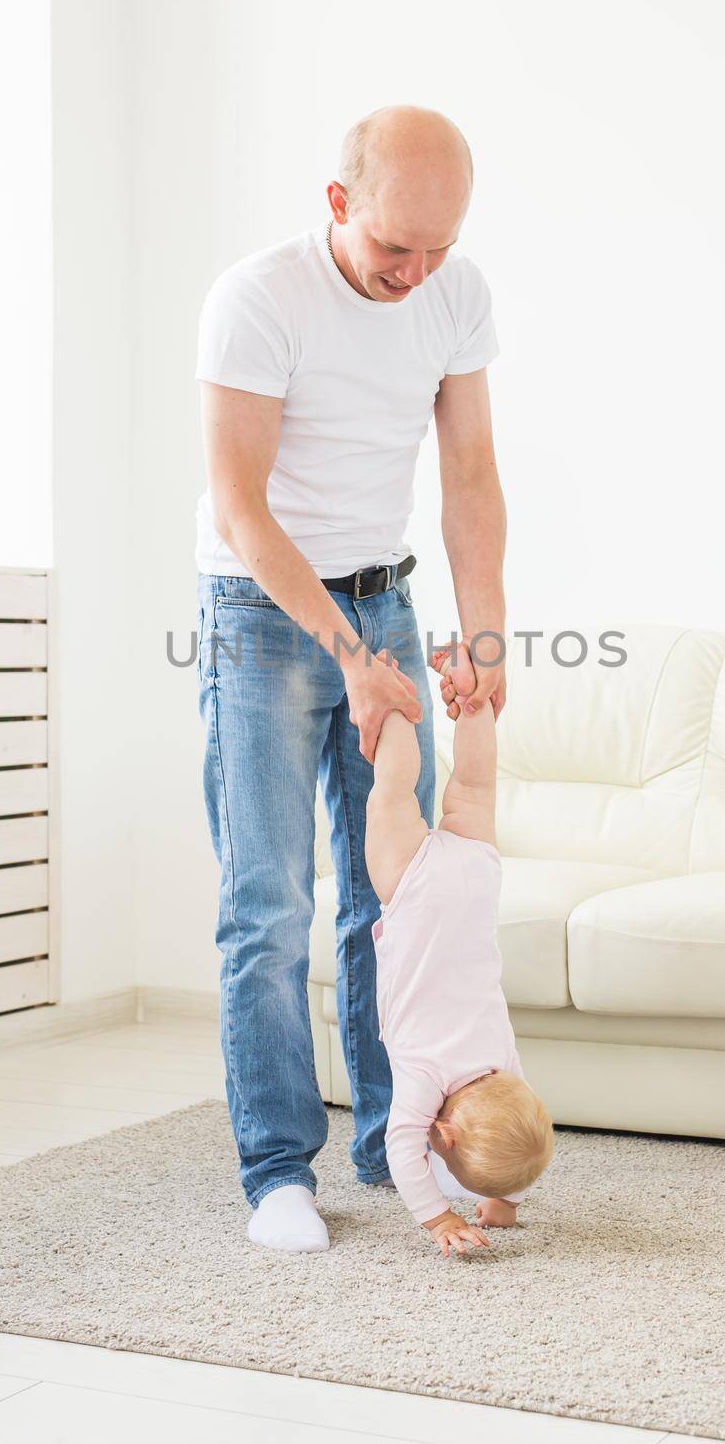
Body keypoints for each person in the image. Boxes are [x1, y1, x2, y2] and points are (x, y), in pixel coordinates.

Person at [195, 104, 508, 1252]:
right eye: (393, 251)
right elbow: (240, 505)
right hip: (263, 611)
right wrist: (349, 659)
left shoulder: (452, 292)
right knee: (268, 906)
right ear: (338, 205)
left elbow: (469, 475)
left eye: (438, 251)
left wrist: (483, 634)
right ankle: (278, 1169)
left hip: (387, 593)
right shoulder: (258, 299)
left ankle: (396, 1138)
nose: (415, 274)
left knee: (396, 900)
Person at [366, 641, 554, 1258]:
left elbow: (521, 1134)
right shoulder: (425, 1079)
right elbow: (401, 1146)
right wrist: (439, 1218)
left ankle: (469, 696)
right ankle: (390, 695)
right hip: (414, 891)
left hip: (473, 881)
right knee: (393, 787)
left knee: (473, 784)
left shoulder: (505, 1068)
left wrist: (504, 1198)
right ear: (441, 1133)